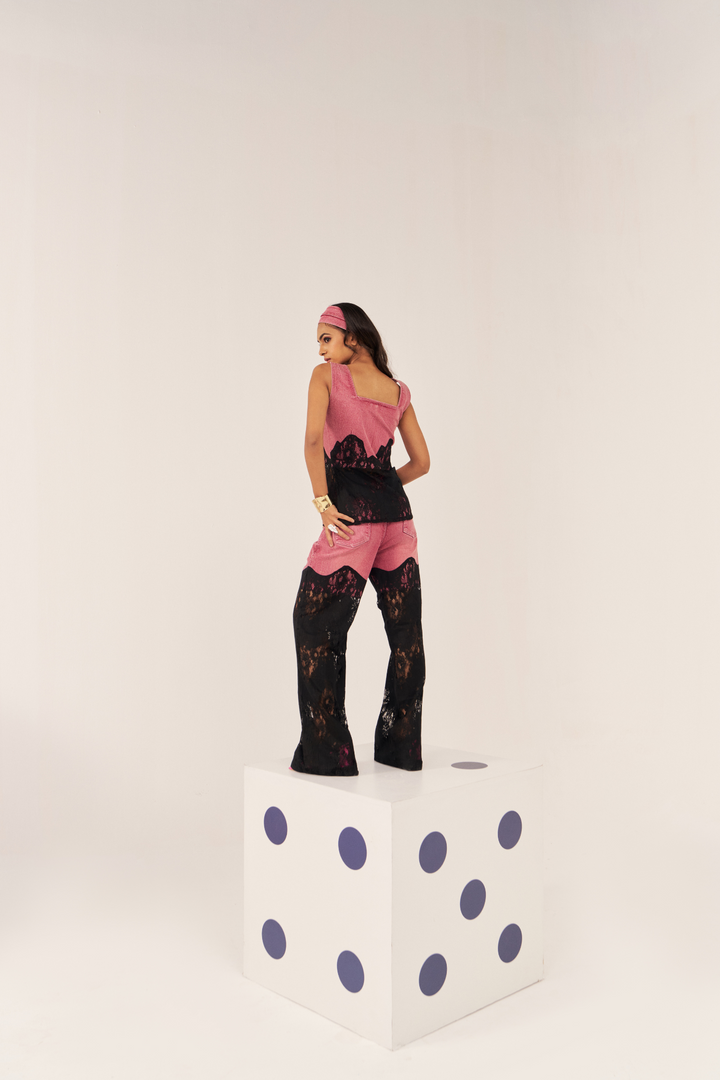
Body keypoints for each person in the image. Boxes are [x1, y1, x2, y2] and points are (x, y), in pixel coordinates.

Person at [290, 302, 430, 776]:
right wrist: (383, 488)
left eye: (326, 339)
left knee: (314, 625)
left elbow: (313, 441)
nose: (321, 350)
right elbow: (422, 462)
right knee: (406, 637)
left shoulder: (328, 377)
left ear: (353, 336)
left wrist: (324, 503)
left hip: (354, 524)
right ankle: (400, 752)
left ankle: (328, 757)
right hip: (400, 523)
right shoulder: (398, 390)